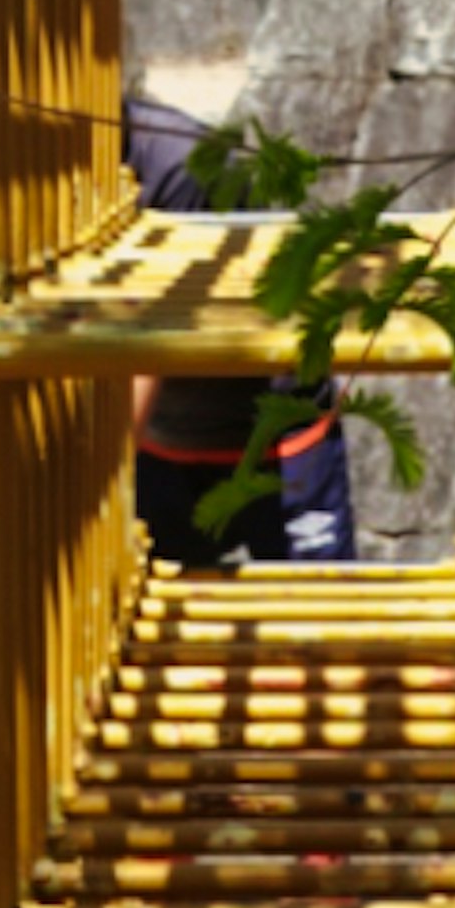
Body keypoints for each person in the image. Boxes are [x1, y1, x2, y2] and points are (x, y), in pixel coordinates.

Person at [121, 87, 353, 569]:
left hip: (276, 435)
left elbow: (152, 341)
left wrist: (86, 494)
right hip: (164, 443)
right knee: (157, 632)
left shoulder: (183, 163)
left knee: (320, 629)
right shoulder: (42, 181)